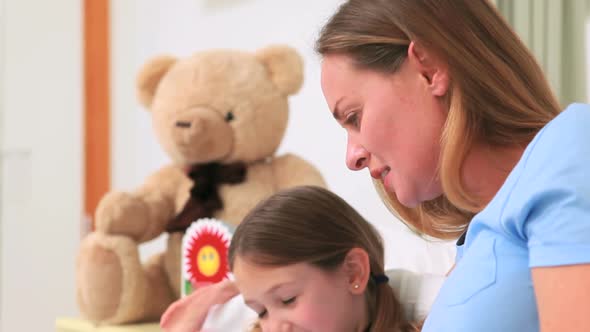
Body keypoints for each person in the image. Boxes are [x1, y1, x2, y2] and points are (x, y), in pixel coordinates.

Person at [316, 0, 590, 331]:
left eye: (354, 117)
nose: (352, 157)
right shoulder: (475, 244)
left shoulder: (566, 148)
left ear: (428, 70)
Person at [161, 185, 444, 331]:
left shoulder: (436, 310)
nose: (275, 327)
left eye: (287, 300)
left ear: (354, 273)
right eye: (261, 311)